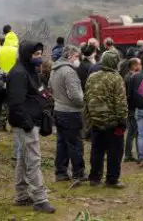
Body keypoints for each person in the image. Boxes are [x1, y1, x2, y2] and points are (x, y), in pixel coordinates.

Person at [6, 40, 55, 214]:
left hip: (33, 120)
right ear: (27, 54)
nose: (39, 57)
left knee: (23, 157)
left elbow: (38, 92)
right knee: (33, 159)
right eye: (36, 54)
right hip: (26, 123)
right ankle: (40, 199)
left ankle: (21, 194)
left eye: (40, 54)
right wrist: (27, 123)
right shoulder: (19, 74)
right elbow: (15, 103)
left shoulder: (30, 71)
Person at [84, 50, 128, 188]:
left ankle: (95, 178)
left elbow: (86, 98)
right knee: (115, 152)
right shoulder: (116, 78)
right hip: (113, 123)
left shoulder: (92, 76)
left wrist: (88, 119)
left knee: (97, 150)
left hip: (95, 121)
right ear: (115, 62)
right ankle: (112, 179)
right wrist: (122, 121)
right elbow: (120, 102)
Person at [49, 45, 86, 184]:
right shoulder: (69, 72)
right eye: (76, 56)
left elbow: (50, 87)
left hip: (58, 110)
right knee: (75, 144)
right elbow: (75, 95)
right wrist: (83, 103)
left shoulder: (55, 69)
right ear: (70, 56)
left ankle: (61, 172)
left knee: (62, 143)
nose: (78, 59)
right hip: (70, 112)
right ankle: (78, 173)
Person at [123, 58, 142, 162]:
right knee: (135, 132)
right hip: (132, 108)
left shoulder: (128, 76)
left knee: (131, 132)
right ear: (134, 66)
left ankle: (128, 154)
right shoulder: (131, 78)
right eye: (139, 64)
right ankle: (139, 156)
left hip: (130, 108)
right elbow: (131, 95)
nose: (141, 66)